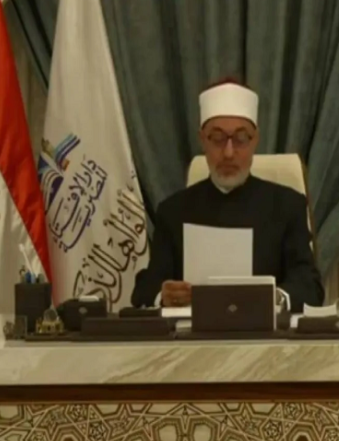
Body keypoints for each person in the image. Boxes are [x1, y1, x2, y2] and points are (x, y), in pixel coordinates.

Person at [130, 78, 324, 312]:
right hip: (193, 333)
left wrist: (274, 298)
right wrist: (164, 295)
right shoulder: (173, 211)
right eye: (218, 139)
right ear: (203, 140)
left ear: (255, 140)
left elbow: (309, 286)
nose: (229, 153)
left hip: (264, 332)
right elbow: (145, 289)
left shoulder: (287, 206)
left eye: (241, 139)